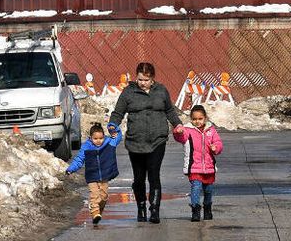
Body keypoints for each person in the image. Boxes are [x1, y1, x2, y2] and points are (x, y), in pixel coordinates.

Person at [107, 62, 183, 224]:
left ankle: (154, 210)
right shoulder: (129, 92)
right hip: (135, 142)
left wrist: (178, 124)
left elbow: (169, 110)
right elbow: (118, 112)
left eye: (146, 80)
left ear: (152, 79)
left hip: (157, 140)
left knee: (154, 175)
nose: (143, 83)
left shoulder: (161, 91)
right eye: (140, 79)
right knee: (139, 178)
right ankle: (141, 207)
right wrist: (113, 124)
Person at [172, 105, 224, 222]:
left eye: (200, 119)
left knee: (208, 190)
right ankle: (195, 210)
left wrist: (215, 148)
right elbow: (180, 137)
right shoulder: (188, 130)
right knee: (196, 188)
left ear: (205, 118)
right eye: (195, 119)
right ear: (191, 119)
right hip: (194, 167)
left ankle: (207, 208)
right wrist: (177, 131)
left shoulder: (211, 130)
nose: (197, 121)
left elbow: (218, 143)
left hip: (209, 167)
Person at [65, 122, 122, 226]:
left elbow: (118, 137)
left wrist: (114, 130)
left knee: (104, 197)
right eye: (95, 139)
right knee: (95, 195)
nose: (98, 141)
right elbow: (79, 160)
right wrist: (70, 169)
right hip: (92, 176)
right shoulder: (86, 147)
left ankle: (98, 211)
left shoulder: (109, 143)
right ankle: (95, 213)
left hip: (104, 176)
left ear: (104, 137)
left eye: (100, 138)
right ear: (90, 138)